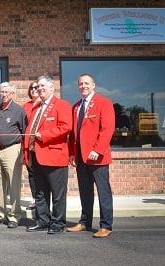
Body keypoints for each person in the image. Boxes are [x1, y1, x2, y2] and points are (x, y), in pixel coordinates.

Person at [67, 74, 115, 238]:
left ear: (93, 85)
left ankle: (106, 225)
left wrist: (98, 149)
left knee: (103, 192)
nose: (83, 86)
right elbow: (74, 134)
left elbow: (107, 129)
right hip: (81, 158)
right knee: (84, 191)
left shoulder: (104, 103)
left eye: (86, 83)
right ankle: (85, 222)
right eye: (80, 84)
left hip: (97, 157)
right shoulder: (76, 107)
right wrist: (72, 154)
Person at [24, 75, 72, 234]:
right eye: (38, 87)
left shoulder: (62, 105)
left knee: (58, 194)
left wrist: (44, 135)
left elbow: (66, 127)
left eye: (43, 86)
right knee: (40, 193)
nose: (39, 89)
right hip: (36, 156)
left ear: (52, 88)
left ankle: (58, 223)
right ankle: (42, 220)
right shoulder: (36, 108)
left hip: (54, 156)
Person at [0, 82, 26, 229]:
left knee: (13, 185)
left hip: (12, 150)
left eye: (7, 92)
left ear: (12, 93)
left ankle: (14, 216)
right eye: (2, 92)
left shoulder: (18, 110)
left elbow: (24, 131)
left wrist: (23, 152)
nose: (4, 95)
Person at [22, 81, 41, 210]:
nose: (34, 90)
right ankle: (35, 199)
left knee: (42, 174)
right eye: (31, 88)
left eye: (36, 87)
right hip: (29, 146)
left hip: (42, 145)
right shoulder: (26, 106)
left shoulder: (44, 104)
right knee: (32, 173)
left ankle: (43, 200)